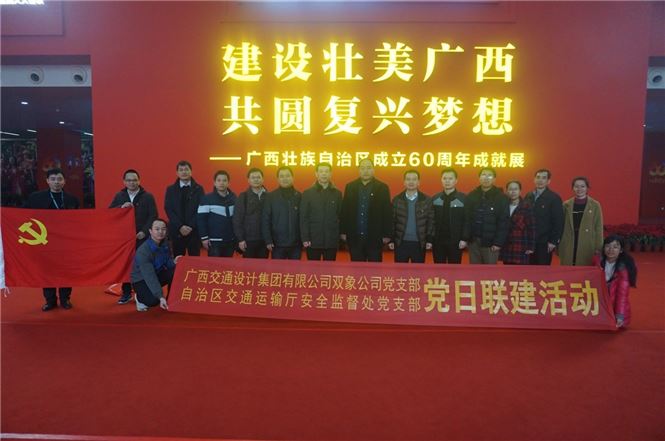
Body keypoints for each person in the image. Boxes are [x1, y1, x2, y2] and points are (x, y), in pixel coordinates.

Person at [25, 168, 79, 311]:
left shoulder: (72, 199)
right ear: (47, 181)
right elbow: (23, 215)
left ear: (64, 181)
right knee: (46, 271)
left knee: (65, 271)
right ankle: (50, 301)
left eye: (59, 179)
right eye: (53, 179)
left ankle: (65, 299)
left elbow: (79, 221)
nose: (56, 182)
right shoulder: (35, 198)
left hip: (65, 243)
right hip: (44, 241)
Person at [109, 169, 158, 304]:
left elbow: (153, 215)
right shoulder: (119, 196)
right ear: (124, 182)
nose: (132, 183)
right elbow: (110, 212)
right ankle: (126, 292)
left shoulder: (148, 196)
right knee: (126, 265)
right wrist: (121, 207)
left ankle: (146, 292)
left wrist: (144, 231)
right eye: (129, 180)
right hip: (124, 239)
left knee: (144, 264)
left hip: (142, 237)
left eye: (135, 180)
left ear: (139, 181)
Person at [340, 158, 392, 262]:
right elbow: (345, 211)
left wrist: (387, 234)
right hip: (355, 236)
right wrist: (343, 231)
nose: (366, 171)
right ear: (359, 170)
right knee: (357, 268)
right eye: (363, 168)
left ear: (373, 170)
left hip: (375, 237)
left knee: (375, 269)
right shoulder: (350, 187)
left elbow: (387, 212)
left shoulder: (382, 187)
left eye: (368, 168)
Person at [461, 167, 509, 264]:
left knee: (489, 271)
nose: (486, 178)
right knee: (474, 270)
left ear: (494, 179)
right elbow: (467, 219)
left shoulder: (501, 197)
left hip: (491, 243)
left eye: (489, 175)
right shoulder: (472, 195)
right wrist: (465, 238)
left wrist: (498, 242)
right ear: (479, 178)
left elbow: (503, 222)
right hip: (474, 242)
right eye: (483, 175)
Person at [131, 218, 181, 312]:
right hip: (141, 279)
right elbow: (149, 276)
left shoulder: (165, 244)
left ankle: (170, 299)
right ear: (150, 231)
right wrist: (160, 296)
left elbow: (167, 262)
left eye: (163, 229)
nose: (160, 232)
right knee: (153, 301)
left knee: (176, 271)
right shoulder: (144, 251)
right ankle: (139, 297)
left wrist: (174, 262)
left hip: (157, 273)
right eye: (157, 229)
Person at [300, 163, 343, 261]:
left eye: (326, 171)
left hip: (331, 240)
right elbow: (303, 218)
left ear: (330, 174)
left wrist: (338, 238)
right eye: (321, 171)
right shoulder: (308, 193)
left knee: (330, 269)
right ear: (316, 174)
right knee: (313, 269)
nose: (324, 174)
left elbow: (340, 216)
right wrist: (305, 238)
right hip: (313, 240)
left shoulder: (337, 194)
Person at [388, 170, 434, 263]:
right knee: (400, 271)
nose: (411, 182)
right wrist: (391, 239)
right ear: (404, 182)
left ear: (418, 182)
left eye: (414, 179)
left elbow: (431, 221)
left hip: (419, 243)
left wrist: (429, 240)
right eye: (408, 179)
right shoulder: (397, 200)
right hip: (400, 242)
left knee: (418, 271)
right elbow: (392, 221)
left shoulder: (426, 200)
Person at [559, 176, 603, 266]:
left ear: (587, 188)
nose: (579, 189)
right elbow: (560, 225)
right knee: (567, 267)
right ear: (573, 188)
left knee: (584, 268)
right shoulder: (566, 205)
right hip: (569, 241)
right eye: (576, 186)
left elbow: (598, 227)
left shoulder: (595, 205)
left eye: (582, 186)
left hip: (587, 242)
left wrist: (599, 247)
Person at [164, 160, 204, 257]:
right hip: (177, 230)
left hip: (194, 231)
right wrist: (180, 226)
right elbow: (168, 209)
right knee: (178, 259)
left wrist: (190, 226)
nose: (184, 172)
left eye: (186, 169)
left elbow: (201, 209)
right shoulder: (171, 189)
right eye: (181, 170)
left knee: (195, 260)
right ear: (177, 173)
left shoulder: (199, 189)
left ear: (191, 171)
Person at [524, 169, 564, 265]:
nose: (540, 180)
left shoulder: (554, 198)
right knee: (527, 269)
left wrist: (553, 241)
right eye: (538, 177)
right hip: (529, 241)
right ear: (534, 179)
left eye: (543, 178)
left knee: (542, 270)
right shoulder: (529, 196)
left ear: (548, 181)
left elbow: (558, 222)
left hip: (544, 242)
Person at [262, 166, 302, 259]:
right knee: (278, 269)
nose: (285, 178)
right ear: (278, 179)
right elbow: (265, 220)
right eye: (282, 176)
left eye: (287, 176)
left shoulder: (299, 196)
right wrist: (268, 240)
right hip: (277, 244)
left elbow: (303, 220)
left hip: (296, 244)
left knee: (295, 269)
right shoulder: (271, 197)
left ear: (292, 177)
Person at [600, 235, 637, 328]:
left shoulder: (623, 270)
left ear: (621, 250)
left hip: (614, 306)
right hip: (601, 303)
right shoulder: (597, 261)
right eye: (608, 246)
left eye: (615, 247)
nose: (611, 250)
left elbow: (622, 296)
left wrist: (619, 316)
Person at [198, 170, 237, 257]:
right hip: (214, 242)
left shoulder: (234, 198)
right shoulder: (206, 199)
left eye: (224, 180)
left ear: (228, 183)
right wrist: (204, 238)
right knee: (214, 265)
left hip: (230, 241)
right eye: (219, 180)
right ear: (214, 183)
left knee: (228, 265)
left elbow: (237, 219)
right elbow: (201, 220)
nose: (221, 183)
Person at [431, 167, 466, 264]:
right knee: (438, 269)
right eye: (444, 178)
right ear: (441, 180)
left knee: (454, 269)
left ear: (456, 180)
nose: (447, 181)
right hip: (438, 241)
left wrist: (464, 238)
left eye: (450, 178)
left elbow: (467, 220)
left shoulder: (463, 199)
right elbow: (431, 220)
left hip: (455, 241)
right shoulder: (435, 198)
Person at [233, 168, 269, 258]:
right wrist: (240, 239)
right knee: (248, 266)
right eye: (253, 177)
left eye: (258, 177)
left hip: (265, 240)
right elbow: (237, 220)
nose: (256, 179)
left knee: (263, 266)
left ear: (263, 179)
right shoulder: (243, 197)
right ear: (248, 180)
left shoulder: (269, 196)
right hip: (248, 240)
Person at [500, 181, 536, 265]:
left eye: (515, 189)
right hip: (506, 245)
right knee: (507, 270)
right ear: (507, 191)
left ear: (520, 191)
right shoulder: (504, 205)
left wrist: (531, 246)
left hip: (521, 245)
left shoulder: (526, 206)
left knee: (520, 271)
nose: (513, 192)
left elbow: (532, 228)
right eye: (510, 189)